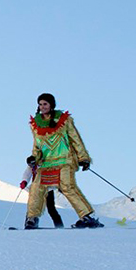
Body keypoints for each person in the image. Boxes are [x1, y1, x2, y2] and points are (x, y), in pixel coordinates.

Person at [24, 93, 103, 229]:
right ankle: (32, 218)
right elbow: (37, 146)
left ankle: (87, 216)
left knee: (67, 187)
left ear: (51, 105)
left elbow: (75, 139)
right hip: (46, 163)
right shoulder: (35, 124)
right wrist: (34, 158)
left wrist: (83, 157)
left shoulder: (64, 120)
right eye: (40, 104)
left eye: (45, 104)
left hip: (64, 161)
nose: (42, 107)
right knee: (36, 188)